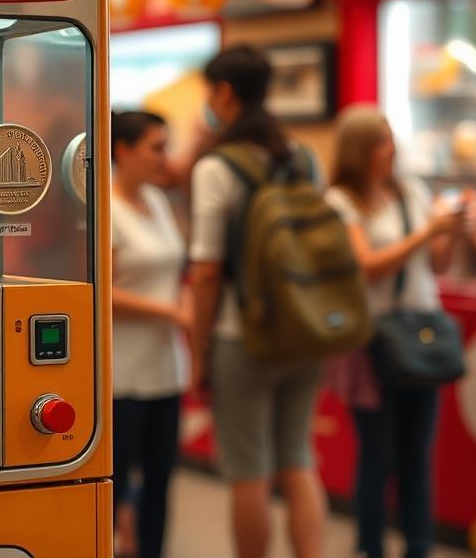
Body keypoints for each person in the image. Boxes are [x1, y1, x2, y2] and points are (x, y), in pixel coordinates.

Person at [187, 46, 328, 558]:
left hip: (240, 335)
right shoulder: (305, 158)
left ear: (224, 93)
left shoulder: (217, 167)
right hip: (305, 329)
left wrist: (198, 350)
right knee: (297, 458)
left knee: (248, 470)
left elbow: (206, 272)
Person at [325, 105, 467, 558]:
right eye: (382, 141)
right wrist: (427, 232)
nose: (392, 149)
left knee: (417, 455)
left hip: (420, 329)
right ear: (360, 149)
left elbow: (438, 264)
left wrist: (452, 230)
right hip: (375, 338)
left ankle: (418, 546)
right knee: (377, 455)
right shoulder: (341, 202)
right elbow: (367, 267)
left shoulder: (412, 192)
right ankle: (371, 546)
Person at [110, 110, 192, 558]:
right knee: (116, 480)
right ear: (123, 150)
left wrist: (183, 306)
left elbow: (176, 271)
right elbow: (99, 293)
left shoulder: (159, 202)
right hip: (122, 373)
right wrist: (170, 312)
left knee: (161, 479)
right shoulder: (105, 208)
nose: (165, 157)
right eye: (156, 147)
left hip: (166, 366)